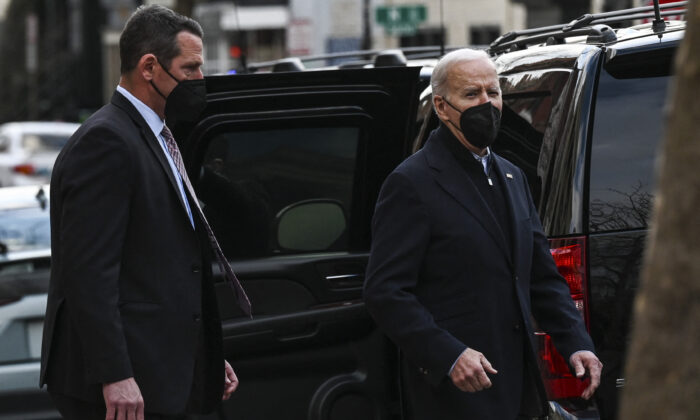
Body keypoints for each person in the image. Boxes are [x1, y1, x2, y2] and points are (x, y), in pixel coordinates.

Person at [363, 48, 602, 420]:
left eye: (493, 92)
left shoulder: (512, 175)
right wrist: (448, 354)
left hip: (521, 387)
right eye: (471, 95)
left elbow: (541, 277)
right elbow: (385, 292)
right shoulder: (412, 183)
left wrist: (575, 343)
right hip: (458, 395)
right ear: (442, 107)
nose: (486, 104)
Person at [40, 5, 250, 419]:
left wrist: (202, 355)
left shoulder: (155, 137)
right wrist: (114, 373)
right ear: (150, 67)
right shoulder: (107, 142)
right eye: (190, 69)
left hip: (159, 376)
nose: (199, 80)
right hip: (121, 391)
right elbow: (88, 273)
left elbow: (165, 265)